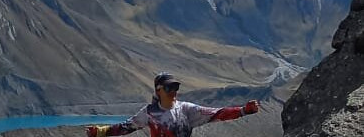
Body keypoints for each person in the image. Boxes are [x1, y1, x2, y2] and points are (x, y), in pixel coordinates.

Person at [85, 73, 260, 137]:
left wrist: (244, 110)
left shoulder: (186, 109)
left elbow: (218, 113)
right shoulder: (149, 112)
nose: (174, 91)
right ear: (158, 90)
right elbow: (125, 128)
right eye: (170, 87)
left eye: (176, 87)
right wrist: (100, 132)